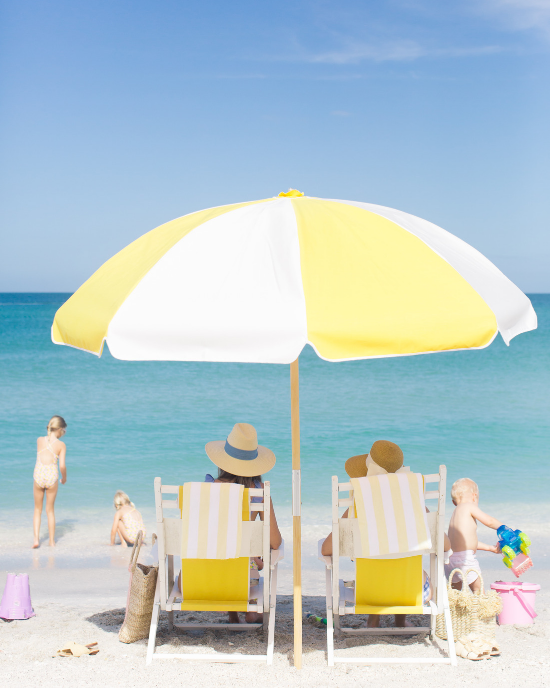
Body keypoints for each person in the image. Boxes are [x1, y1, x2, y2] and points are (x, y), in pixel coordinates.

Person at [321, 440, 434, 628]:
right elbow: (445, 546)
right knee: (412, 565)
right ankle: (401, 620)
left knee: (377, 560)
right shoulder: (418, 508)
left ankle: (373, 619)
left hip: (368, 594)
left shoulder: (355, 510)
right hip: (411, 594)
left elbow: (326, 549)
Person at [204, 422, 282, 624]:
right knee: (247, 559)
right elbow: (275, 542)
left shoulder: (207, 489)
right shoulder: (260, 494)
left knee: (221, 550)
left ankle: (233, 614)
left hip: (207, 576)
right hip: (243, 579)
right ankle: (251, 609)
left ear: (222, 461)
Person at [445, 478, 502, 592]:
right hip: (465, 560)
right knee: (478, 591)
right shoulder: (469, 506)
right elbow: (489, 521)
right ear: (474, 496)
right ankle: (482, 609)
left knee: (455, 595)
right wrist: (504, 528)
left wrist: (490, 548)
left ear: (453, 502)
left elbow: (467, 542)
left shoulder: (455, 514)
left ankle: (453, 609)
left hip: (450, 560)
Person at [33, 415, 67, 548]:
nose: (63, 433)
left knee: (37, 509)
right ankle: (52, 541)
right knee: (50, 510)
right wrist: (64, 478)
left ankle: (36, 540)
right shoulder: (61, 445)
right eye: (63, 430)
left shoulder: (39, 440)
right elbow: (62, 466)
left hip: (39, 475)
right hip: (52, 477)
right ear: (59, 429)